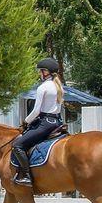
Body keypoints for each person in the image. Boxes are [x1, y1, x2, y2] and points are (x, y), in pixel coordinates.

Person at [11, 58, 67, 186]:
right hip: (57, 122)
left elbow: (36, 111)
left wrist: (25, 121)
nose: (39, 73)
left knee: (17, 145)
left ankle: (26, 176)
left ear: (46, 72)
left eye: (40, 71)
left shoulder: (43, 87)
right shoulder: (58, 86)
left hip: (45, 123)